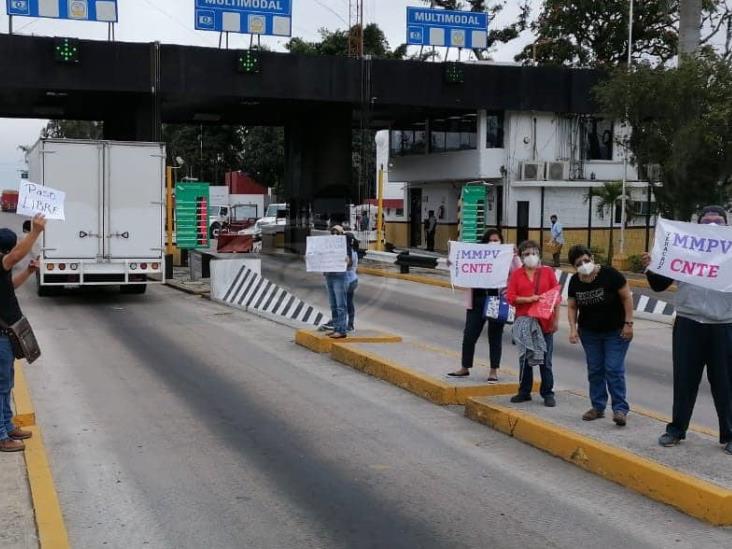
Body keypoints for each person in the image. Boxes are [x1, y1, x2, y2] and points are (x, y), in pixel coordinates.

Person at [642, 205, 732, 454]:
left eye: (718, 220)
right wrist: (653, 265)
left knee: (726, 384)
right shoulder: (685, 250)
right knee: (685, 380)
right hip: (688, 323)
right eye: (707, 220)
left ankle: (729, 434)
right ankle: (676, 430)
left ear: (726, 225)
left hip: (723, 325)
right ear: (697, 224)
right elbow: (659, 285)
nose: (712, 224)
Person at [567, 245, 634, 426]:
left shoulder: (610, 274)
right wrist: (573, 328)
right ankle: (598, 407)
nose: (584, 264)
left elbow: (627, 297)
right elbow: (572, 306)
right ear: (574, 266)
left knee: (613, 368)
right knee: (595, 370)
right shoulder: (575, 281)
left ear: (592, 258)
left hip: (616, 331)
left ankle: (620, 409)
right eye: (579, 263)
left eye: (586, 260)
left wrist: (628, 323)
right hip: (589, 333)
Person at [448, 229, 520, 382]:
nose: (494, 243)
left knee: (495, 337)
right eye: (491, 240)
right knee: (469, 335)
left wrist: (514, 256)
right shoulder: (477, 256)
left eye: (497, 240)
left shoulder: (505, 258)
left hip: (496, 300)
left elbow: (518, 272)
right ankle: (465, 367)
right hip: (477, 300)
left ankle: (493, 371)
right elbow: (461, 267)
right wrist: (452, 261)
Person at [0, 214, 46, 452]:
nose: (8, 255)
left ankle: (7, 426)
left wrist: (28, 271)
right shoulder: (1, 261)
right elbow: (16, 254)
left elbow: (10, 286)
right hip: (0, 335)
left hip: (6, 334)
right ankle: (1, 435)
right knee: (0, 385)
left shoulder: (2, 267)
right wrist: (35, 232)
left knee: (6, 384)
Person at [506, 240, 560, 407]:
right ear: (521, 257)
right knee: (525, 358)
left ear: (539, 254)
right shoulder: (516, 275)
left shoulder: (547, 272)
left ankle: (547, 392)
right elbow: (511, 297)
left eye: (534, 252)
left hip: (545, 322)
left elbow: (556, 297)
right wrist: (528, 299)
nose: (531, 256)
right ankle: (524, 391)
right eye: (527, 253)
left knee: (545, 359)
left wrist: (556, 320)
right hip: (524, 322)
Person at [322, 225, 352, 340]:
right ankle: (336, 328)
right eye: (333, 232)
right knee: (333, 305)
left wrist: (347, 260)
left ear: (341, 234)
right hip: (329, 275)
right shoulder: (327, 245)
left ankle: (341, 330)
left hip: (340, 276)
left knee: (340, 305)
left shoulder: (345, 245)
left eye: (337, 232)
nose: (335, 234)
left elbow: (349, 262)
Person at [346, 240, 359, 333]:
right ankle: (349, 324)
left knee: (345, 303)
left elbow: (348, 264)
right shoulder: (353, 251)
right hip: (351, 280)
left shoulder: (350, 252)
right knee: (348, 302)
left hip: (348, 281)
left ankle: (349, 324)